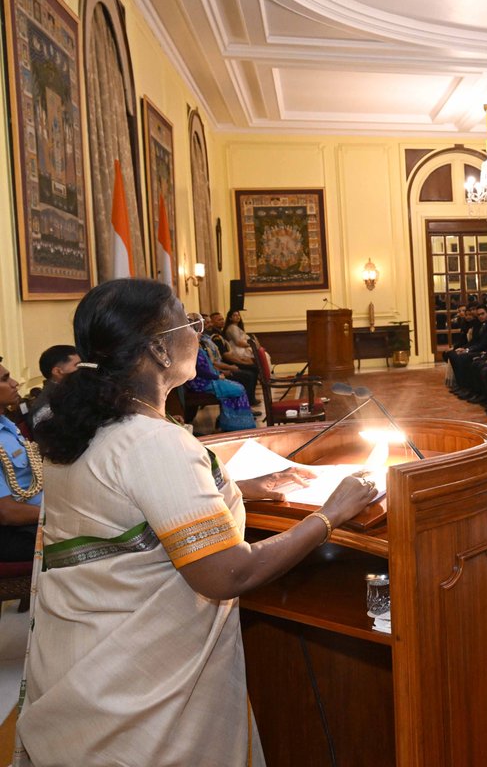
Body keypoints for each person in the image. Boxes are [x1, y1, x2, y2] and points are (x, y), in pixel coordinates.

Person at [17, 279, 377, 765]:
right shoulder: (153, 442)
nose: (198, 328)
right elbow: (229, 573)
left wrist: (232, 488)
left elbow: (123, 508)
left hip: (83, 663)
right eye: (187, 319)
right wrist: (330, 514)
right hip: (142, 692)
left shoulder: (79, 431)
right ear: (159, 350)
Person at [0, 359, 42, 561]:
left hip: (37, 519)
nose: (15, 383)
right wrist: (57, 514)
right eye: (5, 379)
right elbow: (6, 513)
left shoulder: (7, 425)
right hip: (15, 532)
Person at [27, 345, 80, 428]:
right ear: (58, 371)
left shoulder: (70, 392)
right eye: (78, 365)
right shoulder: (47, 408)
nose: (84, 369)